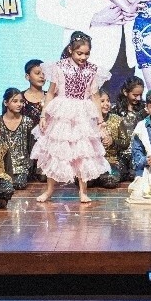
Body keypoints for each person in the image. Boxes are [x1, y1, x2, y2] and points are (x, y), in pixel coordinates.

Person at [31, 31, 112, 203]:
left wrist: (100, 120)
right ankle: (49, 190)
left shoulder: (92, 70)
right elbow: (51, 93)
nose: (83, 57)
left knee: (83, 152)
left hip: (82, 113)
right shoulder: (59, 67)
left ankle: (83, 191)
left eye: (86, 54)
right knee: (56, 152)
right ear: (70, 50)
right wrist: (43, 115)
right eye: (79, 53)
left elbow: (95, 96)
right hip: (62, 113)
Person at [0, 87, 35, 190]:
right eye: (15, 101)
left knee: (19, 184)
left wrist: (30, 165)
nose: (19, 104)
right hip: (3, 165)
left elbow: (31, 146)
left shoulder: (27, 122)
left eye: (21, 101)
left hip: (22, 166)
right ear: (6, 103)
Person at [92, 91, 126, 190]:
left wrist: (113, 141)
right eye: (102, 101)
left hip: (112, 161)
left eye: (108, 101)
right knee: (87, 180)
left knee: (110, 180)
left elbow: (125, 143)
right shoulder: (88, 121)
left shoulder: (117, 119)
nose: (106, 104)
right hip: (92, 161)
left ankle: (102, 176)